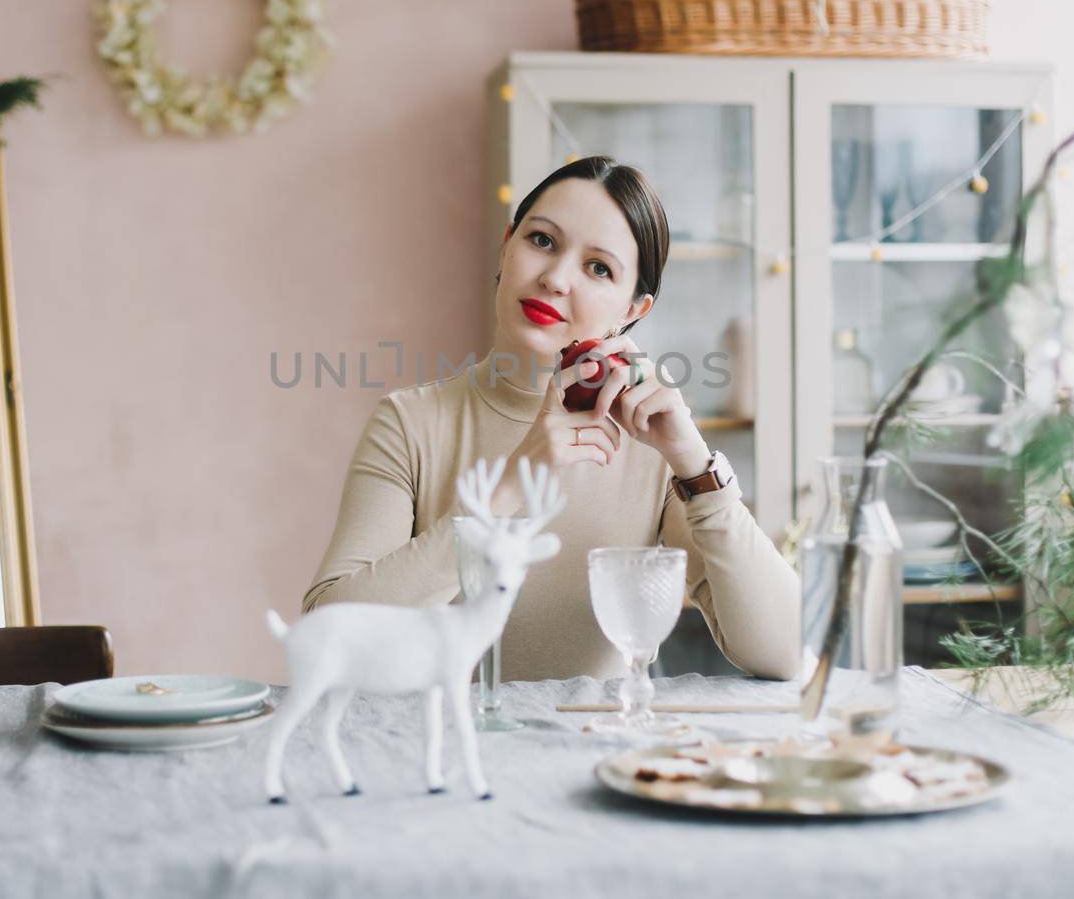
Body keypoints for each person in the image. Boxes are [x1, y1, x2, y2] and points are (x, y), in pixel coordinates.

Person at [303, 156, 799, 680]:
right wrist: (507, 490)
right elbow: (330, 639)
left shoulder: (651, 449)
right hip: (442, 754)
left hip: (600, 755)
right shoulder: (410, 423)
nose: (556, 279)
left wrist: (697, 467)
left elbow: (786, 653)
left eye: (599, 268)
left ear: (635, 310)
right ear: (507, 243)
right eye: (542, 241)